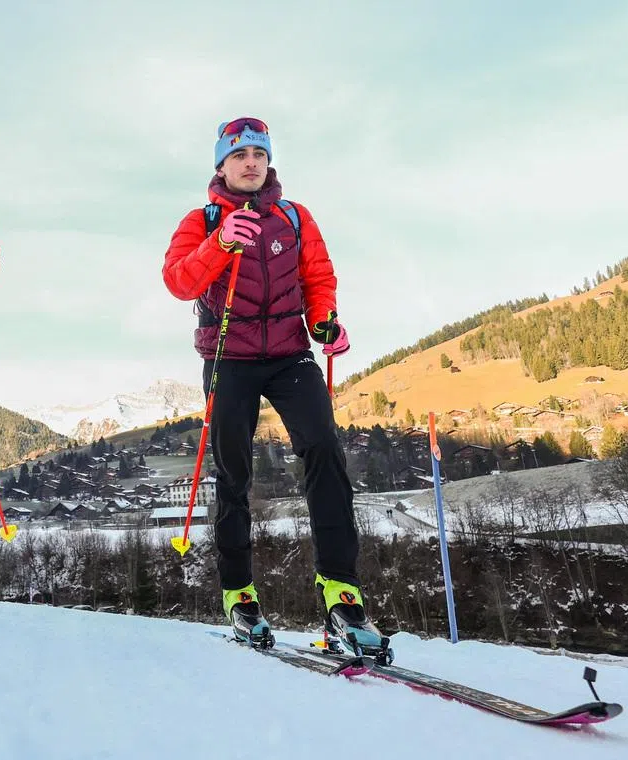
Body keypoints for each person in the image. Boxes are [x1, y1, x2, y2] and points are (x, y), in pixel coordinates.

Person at [162, 117, 383, 653]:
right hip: (228, 357)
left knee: (325, 452)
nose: (251, 162)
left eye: (259, 153)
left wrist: (326, 319)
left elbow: (318, 278)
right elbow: (178, 280)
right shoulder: (203, 219)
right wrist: (219, 243)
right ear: (221, 166)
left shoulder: (294, 217)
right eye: (239, 155)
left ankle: (342, 596)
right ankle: (240, 595)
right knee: (234, 471)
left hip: (290, 355)